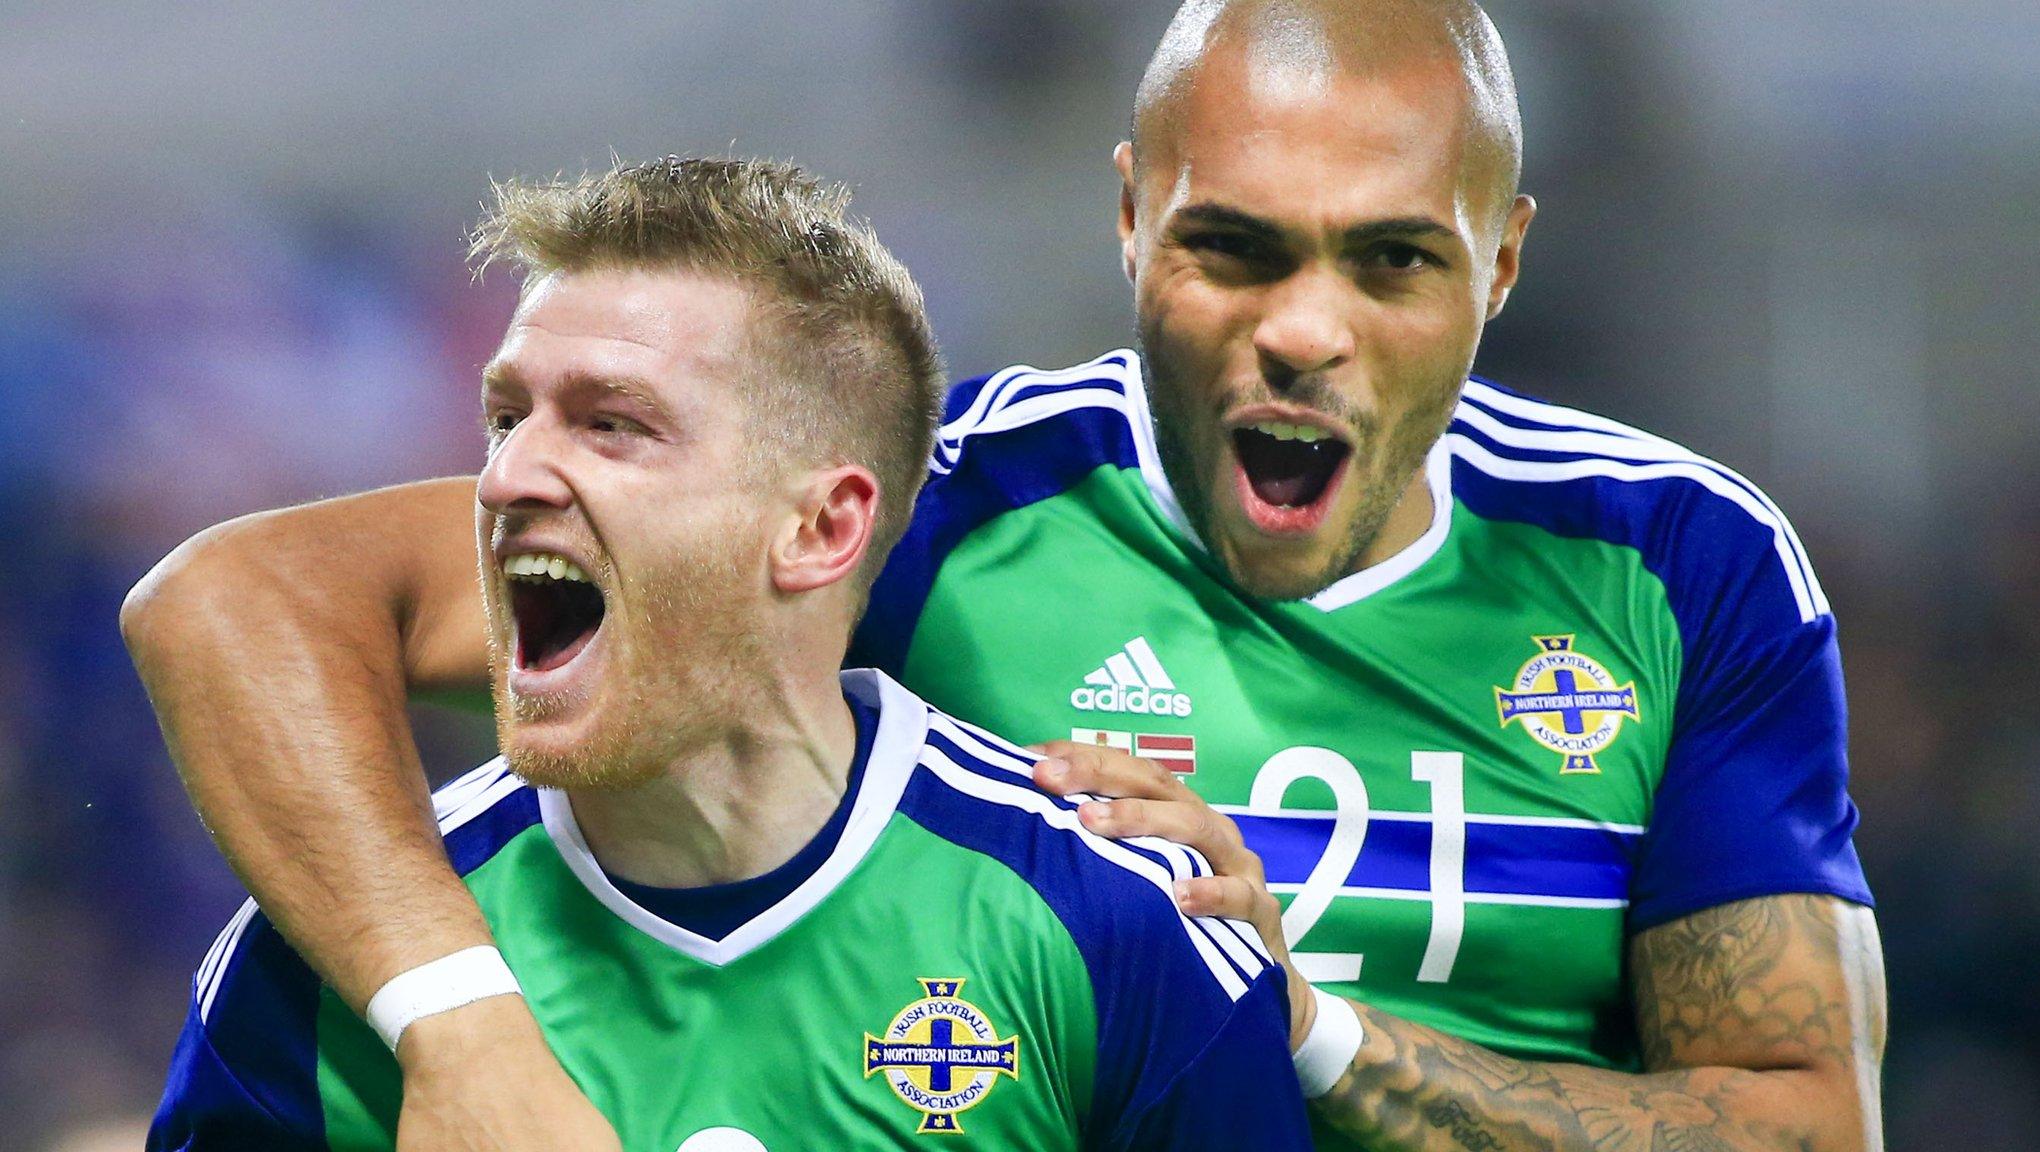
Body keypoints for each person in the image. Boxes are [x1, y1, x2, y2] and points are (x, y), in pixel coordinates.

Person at [124, 2, 1889, 1150]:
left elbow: (1809, 1126)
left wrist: (1321, 1041)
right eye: (1230, 247)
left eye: (1390, 262)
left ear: (1499, 263)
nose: (1299, 329)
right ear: (1128, 222)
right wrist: (461, 1026)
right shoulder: (930, 500)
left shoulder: (1676, 562)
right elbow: (245, 604)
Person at [141, 156, 1312, 1151]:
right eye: (507, 417)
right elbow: (206, 598)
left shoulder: (1110, 926)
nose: (501, 477)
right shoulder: (339, 968)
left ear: (819, 529)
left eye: (611, 422)